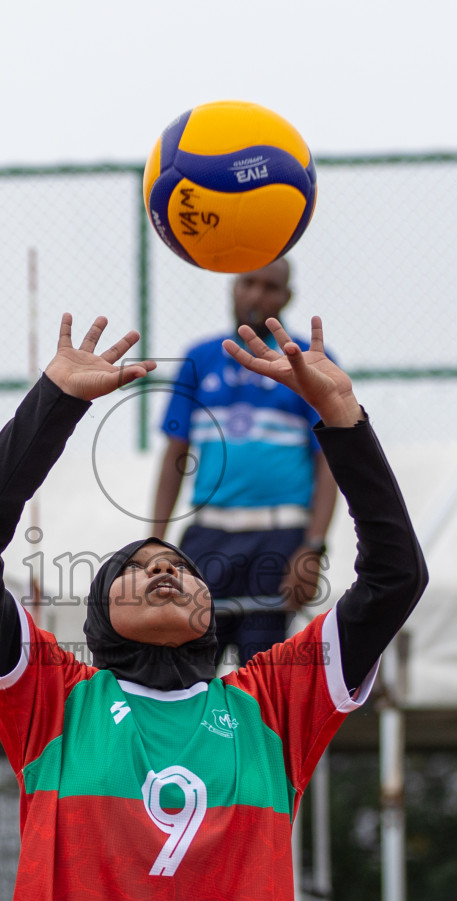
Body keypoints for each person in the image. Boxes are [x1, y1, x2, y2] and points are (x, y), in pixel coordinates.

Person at [0, 312, 427, 901]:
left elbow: (395, 578)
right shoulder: (55, 699)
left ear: (208, 606)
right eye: (137, 568)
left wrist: (341, 417)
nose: (163, 567)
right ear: (100, 613)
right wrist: (55, 403)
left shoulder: (272, 707)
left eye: (181, 567)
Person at [151, 258, 338, 663]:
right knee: (188, 664)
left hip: (280, 533)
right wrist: (153, 544)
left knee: (261, 670)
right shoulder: (199, 359)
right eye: (247, 282)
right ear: (232, 288)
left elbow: (330, 463)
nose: (256, 294)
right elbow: (174, 456)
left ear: (287, 296)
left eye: (269, 286)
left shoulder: (307, 359)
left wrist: (313, 547)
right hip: (209, 532)